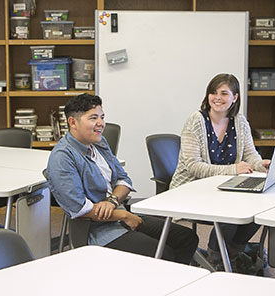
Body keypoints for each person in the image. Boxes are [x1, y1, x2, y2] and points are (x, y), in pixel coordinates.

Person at [46, 94, 198, 264]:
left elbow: (124, 181)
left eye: (102, 117)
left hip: (118, 213)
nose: (101, 123)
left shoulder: (99, 143)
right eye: (93, 118)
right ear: (73, 122)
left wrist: (111, 201)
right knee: (162, 254)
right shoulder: (62, 158)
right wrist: (123, 216)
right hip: (96, 229)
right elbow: (80, 209)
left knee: (186, 238)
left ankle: (166, 282)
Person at [170, 73, 270, 273]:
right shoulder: (196, 121)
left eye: (224, 93)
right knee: (229, 211)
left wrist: (261, 165)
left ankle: (232, 252)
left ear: (235, 97)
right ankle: (216, 257)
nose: (217, 97)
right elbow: (193, 166)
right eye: (213, 92)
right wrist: (233, 169)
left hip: (225, 188)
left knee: (259, 209)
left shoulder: (239, 121)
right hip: (191, 187)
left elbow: (250, 154)